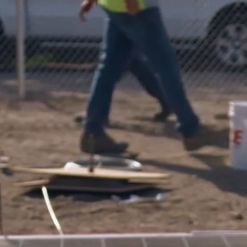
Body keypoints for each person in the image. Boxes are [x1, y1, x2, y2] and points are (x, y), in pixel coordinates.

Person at [77, 0, 218, 155]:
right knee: (166, 67)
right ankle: (191, 129)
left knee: (108, 69)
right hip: (138, 7)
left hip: (114, 6)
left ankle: (93, 131)